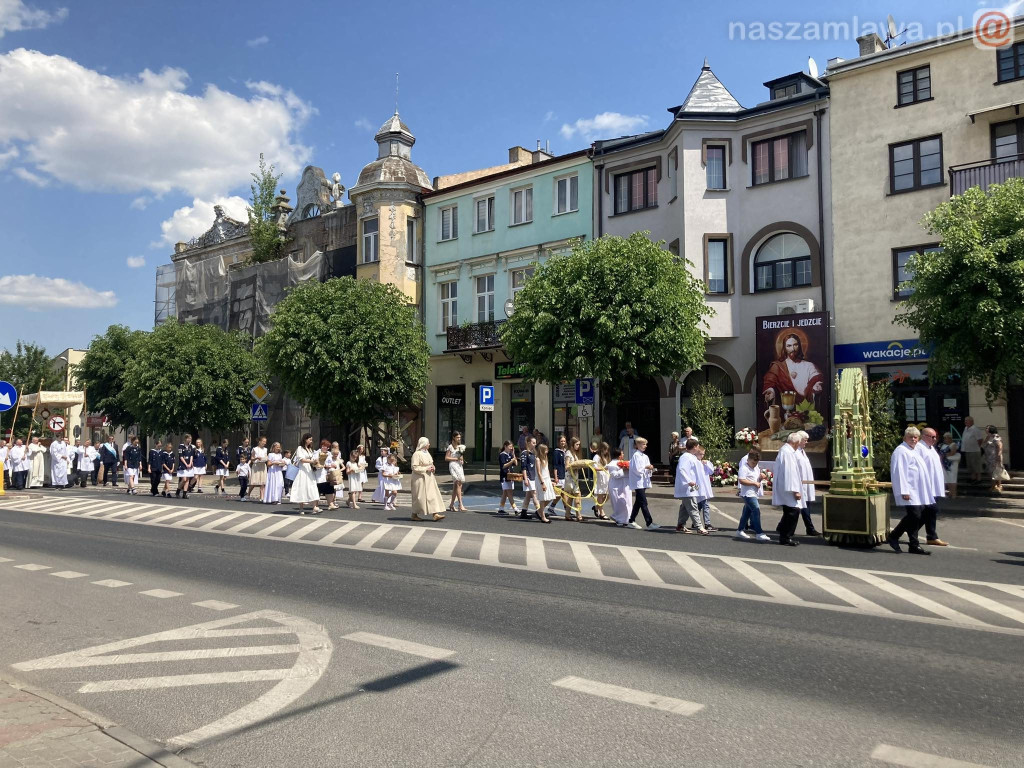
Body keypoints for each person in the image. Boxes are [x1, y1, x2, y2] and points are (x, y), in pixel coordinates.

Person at [888, 426, 931, 555]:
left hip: (917, 490)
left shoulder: (913, 450)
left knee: (918, 515)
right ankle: (895, 536)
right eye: (910, 437)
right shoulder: (901, 451)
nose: (913, 439)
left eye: (915, 437)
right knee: (915, 515)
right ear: (904, 438)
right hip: (909, 490)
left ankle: (913, 544)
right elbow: (900, 472)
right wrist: (904, 491)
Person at [762, 329, 824, 407]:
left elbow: (816, 377)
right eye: (789, 346)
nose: (793, 349)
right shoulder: (778, 366)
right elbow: (770, 380)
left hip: (805, 407)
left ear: (800, 346)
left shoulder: (809, 365)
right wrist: (771, 390)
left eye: (795, 345)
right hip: (785, 406)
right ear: (784, 348)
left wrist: (817, 384)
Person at [918, 428, 949, 546]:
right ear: (924, 436)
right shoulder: (920, 448)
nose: (935, 439)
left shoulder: (931, 448)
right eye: (932, 437)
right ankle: (931, 536)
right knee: (931, 510)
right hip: (926, 486)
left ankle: (909, 530)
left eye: (936, 437)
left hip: (934, 486)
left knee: (926, 512)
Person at [772, 432, 804, 546]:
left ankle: (783, 532)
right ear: (795, 442)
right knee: (793, 511)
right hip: (789, 488)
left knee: (789, 511)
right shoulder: (788, 453)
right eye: (798, 443)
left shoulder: (786, 451)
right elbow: (790, 473)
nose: (798, 445)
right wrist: (795, 490)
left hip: (785, 487)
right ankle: (786, 537)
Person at [736, 449, 771, 541]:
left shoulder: (755, 468)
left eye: (756, 463)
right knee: (756, 510)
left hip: (754, 493)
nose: (754, 465)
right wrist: (753, 483)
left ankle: (740, 530)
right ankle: (759, 532)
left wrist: (760, 477)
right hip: (747, 494)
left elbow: (756, 479)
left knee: (747, 513)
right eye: (752, 463)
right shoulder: (744, 468)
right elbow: (742, 480)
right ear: (748, 460)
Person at [674, 439, 708, 534]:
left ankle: (680, 525)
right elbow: (682, 469)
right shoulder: (686, 457)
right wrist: (689, 481)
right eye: (697, 446)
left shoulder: (691, 456)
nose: (698, 447)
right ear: (694, 447)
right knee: (693, 506)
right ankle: (699, 527)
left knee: (685, 506)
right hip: (688, 486)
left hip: (692, 486)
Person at [410, 437, 446, 522]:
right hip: (420, 478)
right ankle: (414, 514)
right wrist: (426, 469)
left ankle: (435, 514)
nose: (429, 444)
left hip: (429, 478)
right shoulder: (417, 454)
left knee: (432, 495)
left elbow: (431, 463)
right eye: (428, 443)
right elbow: (414, 467)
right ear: (424, 444)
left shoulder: (427, 453)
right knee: (420, 497)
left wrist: (433, 467)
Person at [628, 437, 658, 530]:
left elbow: (646, 468)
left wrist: (650, 468)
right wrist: (646, 467)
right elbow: (637, 469)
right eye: (643, 444)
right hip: (638, 482)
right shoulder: (636, 455)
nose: (645, 446)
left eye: (645, 444)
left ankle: (631, 520)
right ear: (637, 445)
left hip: (643, 481)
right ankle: (649, 522)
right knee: (643, 502)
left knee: (638, 502)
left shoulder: (645, 456)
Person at [795, 432, 820, 536]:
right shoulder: (795, 452)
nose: (806, 442)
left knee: (799, 508)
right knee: (802, 507)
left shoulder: (802, 451)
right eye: (805, 440)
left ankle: (781, 526)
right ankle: (810, 528)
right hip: (800, 484)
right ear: (799, 440)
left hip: (807, 483)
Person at [290, 435, 321, 514]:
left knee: (312, 487)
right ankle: (301, 508)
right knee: (302, 488)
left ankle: (314, 507)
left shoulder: (310, 449)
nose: (311, 441)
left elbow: (312, 459)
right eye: (310, 439)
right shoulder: (300, 448)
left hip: (309, 471)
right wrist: (312, 461)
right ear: (305, 439)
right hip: (303, 471)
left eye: (311, 439)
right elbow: (302, 459)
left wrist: (316, 462)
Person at [693, 444, 717, 533]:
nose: (702, 456)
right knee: (703, 505)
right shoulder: (695, 462)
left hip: (705, 488)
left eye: (703, 454)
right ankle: (707, 524)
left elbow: (711, 471)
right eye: (700, 454)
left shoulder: (704, 463)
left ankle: (696, 522)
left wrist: (707, 463)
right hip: (699, 487)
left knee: (701, 505)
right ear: (696, 454)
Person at [606, 449, 631, 526]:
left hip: (624, 485)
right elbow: (615, 475)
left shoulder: (623, 462)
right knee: (619, 503)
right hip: (615, 486)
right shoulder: (612, 464)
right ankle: (619, 519)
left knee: (626, 502)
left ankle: (626, 519)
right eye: (622, 453)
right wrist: (623, 469)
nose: (623, 455)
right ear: (619, 455)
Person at [560, 437, 583, 520]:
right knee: (577, 495)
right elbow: (567, 466)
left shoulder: (574, 454)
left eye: (579, 445)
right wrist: (576, 465)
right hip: (570, 477)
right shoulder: (568, 453)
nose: (578, 446)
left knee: (571, 497)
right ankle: (578, 515)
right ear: (572, 444)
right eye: (577, 444)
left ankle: (567, 514)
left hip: (575, 477)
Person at [445, 431, 467, 513]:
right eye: (457, 437)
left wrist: (461, 460)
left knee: (457, 485)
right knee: (458, 482)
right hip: (453, 465)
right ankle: (460, 504)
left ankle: (451, 505)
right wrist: (456, 459)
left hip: (459, 466)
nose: (459, 439)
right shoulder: (450, 447)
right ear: (454, 437)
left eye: (460, 437)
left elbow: (461, 457)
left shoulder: (460, 447)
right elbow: (446, 458)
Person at [960, 416, 985, 484]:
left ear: (971, 421)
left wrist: (977, 447)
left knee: (976, 465)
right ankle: (973, 478)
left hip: (974, 450)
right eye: (965, 420)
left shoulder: (975, 429)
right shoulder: (966, 428)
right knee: (970, 466)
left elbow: (980, 439)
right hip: (967, 450)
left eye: (967, 421)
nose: (965, 422)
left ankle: (979, 479)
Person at [497, 441, 519, 515]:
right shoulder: (502, 455)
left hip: (510, 476)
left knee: (505, 493)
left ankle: (501, 508)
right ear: (505, 446)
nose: (511, 448)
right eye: (510, 446)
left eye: (512, 447)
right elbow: (503, 466)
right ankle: (515, 509)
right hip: (505, 476)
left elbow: (516, 463)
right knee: (509, 493)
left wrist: (513, 455)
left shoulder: (510, 454)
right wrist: (511, 461)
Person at [534, 444, 555, 523]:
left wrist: (550, 480)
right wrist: (542, 483)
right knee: (542, 499)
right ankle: (542, 516)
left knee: (550, 497)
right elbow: (539, 472)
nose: (547, 451)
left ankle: (539, 511)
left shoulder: (545, 458)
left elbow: (547, 470)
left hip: (547, 479)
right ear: (542, 450)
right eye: (546, 450)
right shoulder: (538, 459)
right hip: (541, 480)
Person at [519, 436, 537, 520]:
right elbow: (523, 467)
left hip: (533, 476)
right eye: (533, 443)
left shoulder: (533, 453)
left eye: (535, 443)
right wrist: (525, 478)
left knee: (528, 495)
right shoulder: (524, 453)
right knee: (534, 494)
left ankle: (523, 512)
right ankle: (539, 512)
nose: (535, 444)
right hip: (529, 477)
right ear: (529, 443)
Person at [983, 426, 1005, 493]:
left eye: (987, 428)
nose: (986, 429)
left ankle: (998, 486)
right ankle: (993, 486)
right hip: (989, 458)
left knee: (996, 472)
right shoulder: (988, 437)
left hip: (995, 458)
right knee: (991, 472)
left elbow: (1000, 446)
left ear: (991, 430)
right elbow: (984, 444)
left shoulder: (996, 437)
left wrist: (998, 457)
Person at [592, 441, 611, 520]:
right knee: (600, 494)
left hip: (606, 477)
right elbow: (594, 467)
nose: (606, 451)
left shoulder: (606, 457)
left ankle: (596, 507)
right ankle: (601, 512)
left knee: (608, 495)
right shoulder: (597, 457)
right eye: (605, 449)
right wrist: (603, 468)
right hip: (600, 477)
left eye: (607, 450)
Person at [940, 432, 961, 498]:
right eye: (945, 438)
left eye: (947, 438)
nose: (946, 439)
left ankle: (954, 493)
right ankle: (950, 492)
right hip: (944, 463)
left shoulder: (953, 444)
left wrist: (943, 455)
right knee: (947, 479)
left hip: (951, 464)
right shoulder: (943, 445)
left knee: (952, 478)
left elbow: (952, 453)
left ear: (950, 438)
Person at [248, 436, 268, 502]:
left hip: (262, 465)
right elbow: (252, 458)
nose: (264, 443)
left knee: (262, 482)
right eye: (263, 441)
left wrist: (266, 459)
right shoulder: (255, 449)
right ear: (259, 441)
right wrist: (257, 458)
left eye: (265, 442)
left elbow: (266, 457)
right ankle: (248, 494)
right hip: (256, 466)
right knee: (254, 482)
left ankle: (262, 497)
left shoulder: (265, 449)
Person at [175, 434, 194, 498]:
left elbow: (191, 456)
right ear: (186, 439)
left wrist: (190, 463)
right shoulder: (181, 446)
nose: (190, 440)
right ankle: (178, 491)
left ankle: (184, 494)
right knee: (184, 479)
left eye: (190, 439)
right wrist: (186, 464)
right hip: (183, 465)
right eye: (189, 438)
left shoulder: (191, 447)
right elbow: (181, 456)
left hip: (189, 464)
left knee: (187, 479)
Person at [552, 435, 567, 512]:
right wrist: (556, 477)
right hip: (559, 475)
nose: (563, 443)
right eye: (561, 441)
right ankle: (567, 510)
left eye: (564, 441)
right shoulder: (556, 452)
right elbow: (555, 465)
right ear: (558, 442)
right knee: (562, 493)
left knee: (561, 493)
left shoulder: (565, 451)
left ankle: (551, 507)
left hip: (565, 475)